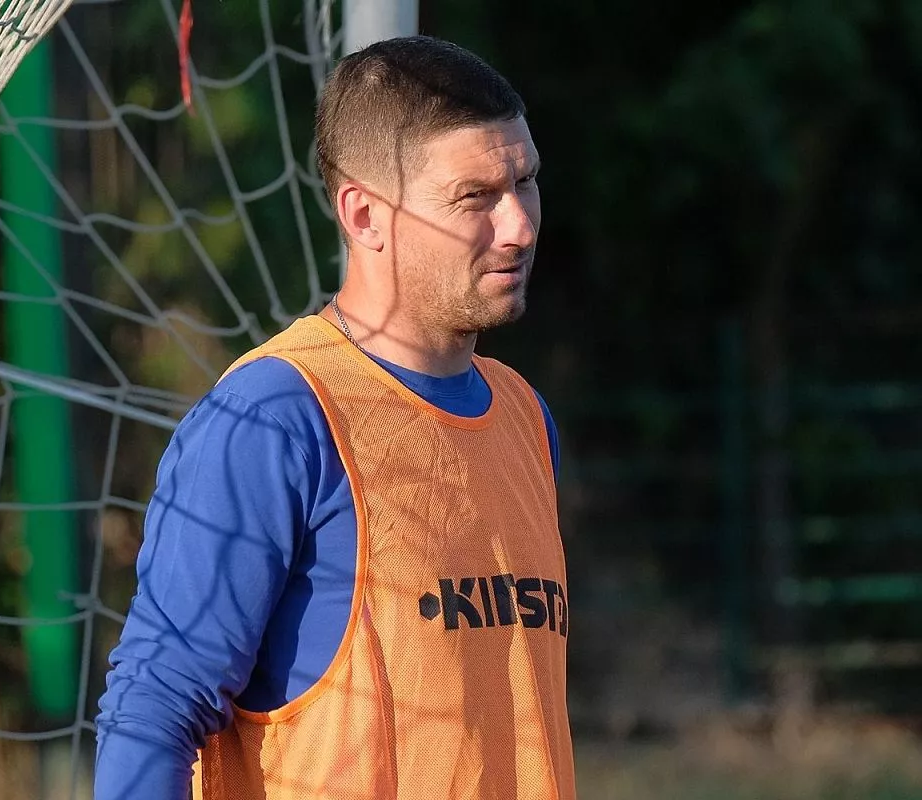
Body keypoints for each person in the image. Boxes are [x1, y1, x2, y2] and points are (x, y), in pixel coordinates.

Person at [95, 35, 574, 800]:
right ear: (364, 213)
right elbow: (154, 707)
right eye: (475, 197)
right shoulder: (275, 417)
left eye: (526, 181)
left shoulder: (523, 415)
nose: (518, 224)